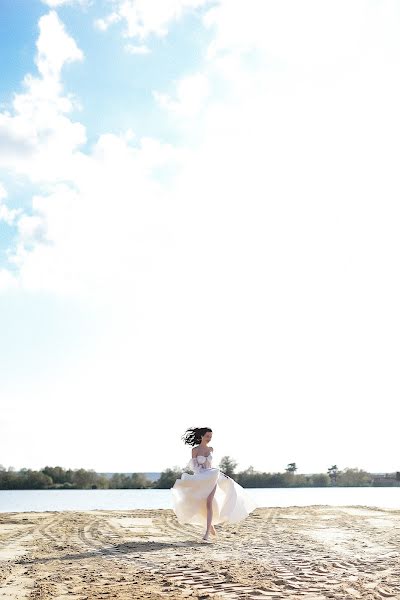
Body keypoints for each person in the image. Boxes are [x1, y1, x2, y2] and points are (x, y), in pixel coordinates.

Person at [171, 426, 257, 542]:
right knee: (198, 504)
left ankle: (206, 533)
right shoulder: (195, 450)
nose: (209, 439)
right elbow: (194, 467)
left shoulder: (211, 449)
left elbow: (211, 466)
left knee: (209, 503)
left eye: (210, 437)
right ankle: (210, 525)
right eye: (207, 436)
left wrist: (220, 474)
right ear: (201, 436)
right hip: (201, 478)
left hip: (212, 476)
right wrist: (200, 473)